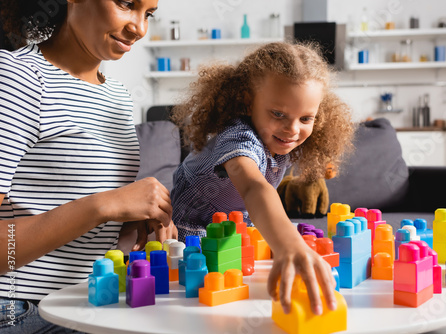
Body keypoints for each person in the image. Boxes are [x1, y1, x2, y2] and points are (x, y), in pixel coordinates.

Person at [0, 1, 176, 332]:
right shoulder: (16, 78)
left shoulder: (119, 97)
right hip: (20, 308)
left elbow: (86, 231)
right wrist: (106, 205)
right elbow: (94, 208)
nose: (138, 27)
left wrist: (136, 220)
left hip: (88, 301)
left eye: (148, 14)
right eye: (127, 4)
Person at [170, 42, 355, 315]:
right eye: (278, 114)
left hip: (237, 235)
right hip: (191, 238)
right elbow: (253, 186)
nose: (292, 129)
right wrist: (289, 243)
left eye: (306, 118)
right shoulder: (238, 136)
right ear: (248, 99)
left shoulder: (281, 140)